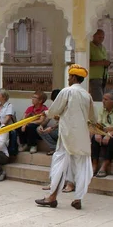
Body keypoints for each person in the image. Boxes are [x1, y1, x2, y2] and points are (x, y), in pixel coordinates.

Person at [35, 64, 96, 210]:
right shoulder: (87, 95)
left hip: (68, 135)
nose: (68, 79)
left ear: (74, 77)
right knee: (81, 166)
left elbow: (54, 109)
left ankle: (52, 197)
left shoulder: (67, 91)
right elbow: (92, 117)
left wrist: (46, 114)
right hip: (82, 136)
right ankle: (78, 198)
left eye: (69, 76)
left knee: (60, 164)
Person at [91, 90, 113, 177]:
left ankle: (105, 164)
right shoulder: (102, 109)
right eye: (103, 99)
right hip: (104, 131)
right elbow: (98, 123)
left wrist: (110, 134)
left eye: (106, 99)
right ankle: (94, 164)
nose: (103, 101)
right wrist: (98, 133)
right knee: (94, 138)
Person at [37, 89, 61, 156]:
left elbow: (63, 122)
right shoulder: (54, 107)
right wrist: (41, 126)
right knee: (38, 129)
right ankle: (54, 147)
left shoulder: (66, 107)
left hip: (65, 132)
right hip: (56, 131)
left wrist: (52, 128)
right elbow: (47, 118)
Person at [89, 29, 111, 101]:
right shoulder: (89, 47)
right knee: (98, 100)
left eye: (103, 37)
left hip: (103, 77)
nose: (101, 39)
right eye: (99, 37)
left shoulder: (103, 48)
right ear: (94, 36)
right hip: (94, 78)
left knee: (104, 99)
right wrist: (101, 63)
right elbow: (87, 63)